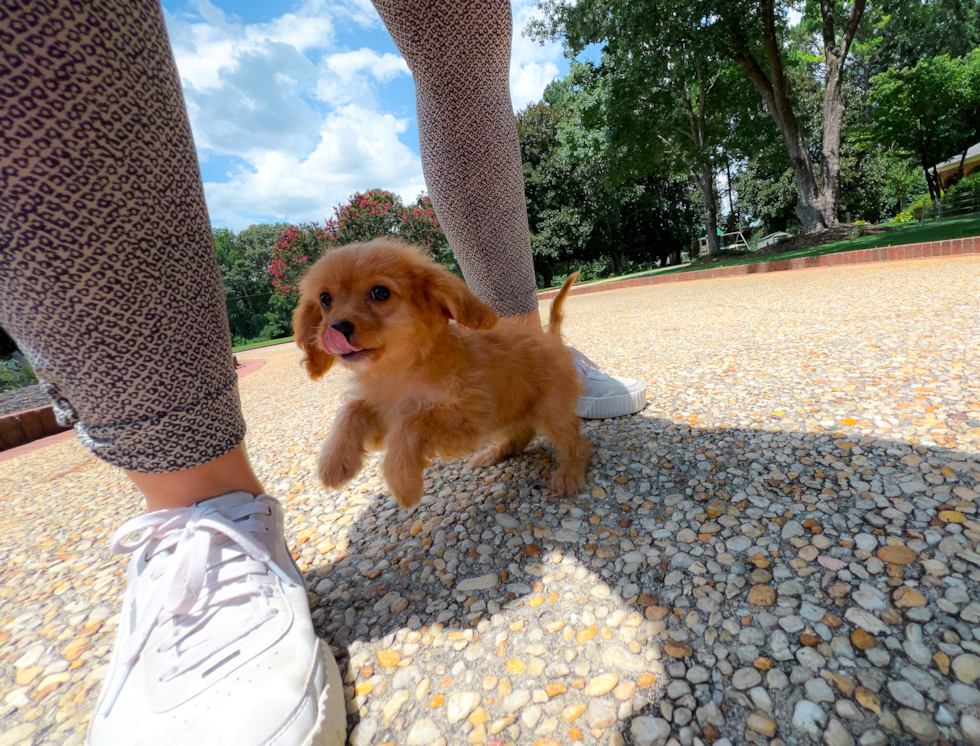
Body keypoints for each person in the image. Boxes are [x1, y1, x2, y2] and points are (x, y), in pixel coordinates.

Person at [0, 1, 646, 744]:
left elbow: (457, 418)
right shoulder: (360, 365)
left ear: (436, 303)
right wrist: (357, 423)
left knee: (458, 33)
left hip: (498, 371)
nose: (343, 322)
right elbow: (375, 402)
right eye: (329, 307)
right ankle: (199, 505)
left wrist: (407, 442)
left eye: (376, 297)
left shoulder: (446, 336)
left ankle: (553, 396)